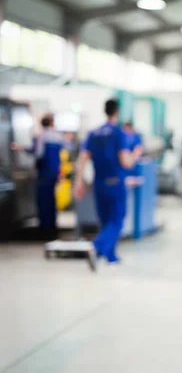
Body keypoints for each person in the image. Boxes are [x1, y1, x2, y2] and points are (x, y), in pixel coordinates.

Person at [74, 100, 142, 264]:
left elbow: (82, 158)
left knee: (105, 221)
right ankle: (96, 248)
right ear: (117, 112)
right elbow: (126, 161)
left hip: (99, 183)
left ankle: (111, 256)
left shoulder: (93, 133)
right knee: (117, 220)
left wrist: (79, 182)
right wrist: (136, 155)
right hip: (115, 182)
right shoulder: (119, 133)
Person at [12, 114, 64, 236]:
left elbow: (38, 153)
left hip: (44, 172)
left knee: (43, 200)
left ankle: (45, 229)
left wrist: (20, 148)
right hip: (54, 172)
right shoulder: (58, 136)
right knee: (52, 199)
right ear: (51, 123)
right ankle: (52, 227)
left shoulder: (41, 136)